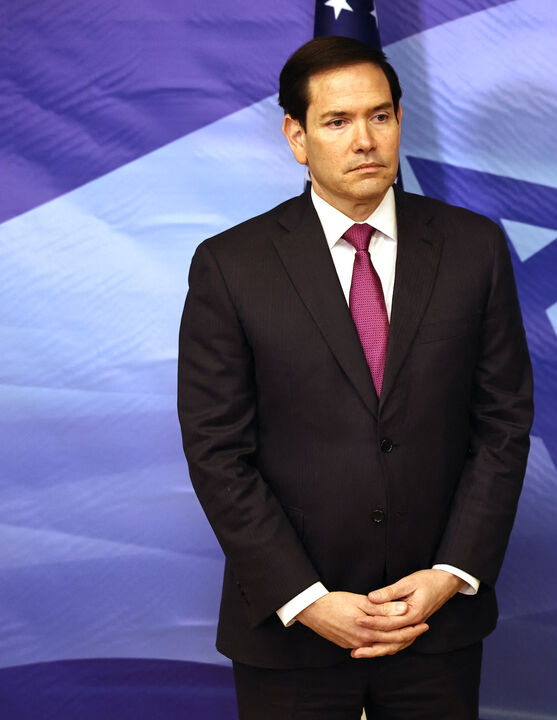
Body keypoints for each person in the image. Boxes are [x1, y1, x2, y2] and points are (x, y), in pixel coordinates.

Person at [177, 36, 533, 719]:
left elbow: (503, 426)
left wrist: (448, 576)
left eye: (380, 116)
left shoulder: (474, 248)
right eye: (337, 122)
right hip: (290, 636)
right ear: (297, 136)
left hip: (434, 623)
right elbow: (218, 451)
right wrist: (307, 600)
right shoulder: (231, 265)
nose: (364, 139)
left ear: (400, 120)